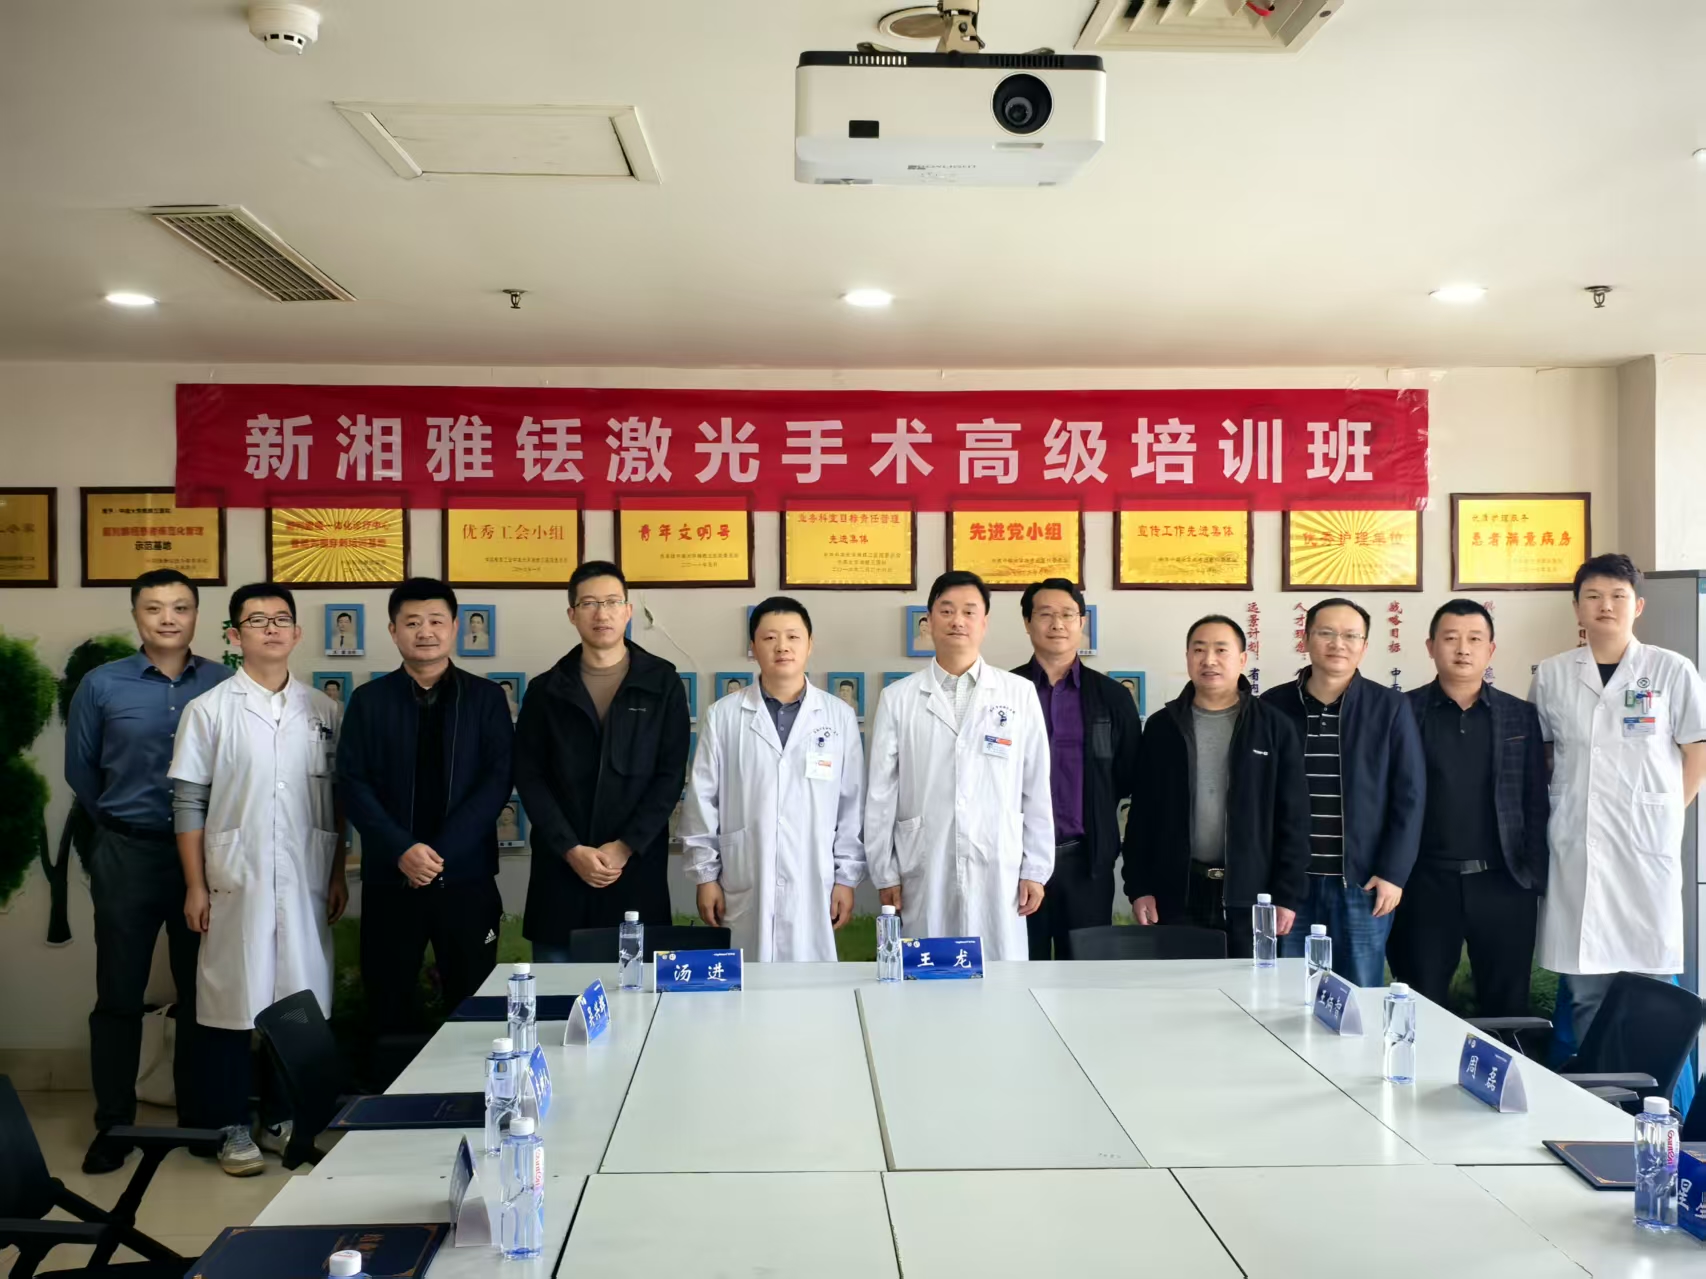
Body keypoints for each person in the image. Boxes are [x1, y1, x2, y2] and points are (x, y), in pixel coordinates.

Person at [169, 583, 346, 1176]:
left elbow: (336, 802)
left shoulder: (323, 711)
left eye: (281, 619)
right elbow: (188, 801)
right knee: (229, 1005)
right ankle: (229, 1127)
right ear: (234, 635)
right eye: (256, 619)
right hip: (233, 879)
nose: (271, 628)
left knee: (296, 1003)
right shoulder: (209, 709)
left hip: (306, 876)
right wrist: (196, 885)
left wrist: (337, 872)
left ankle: (280, 1118)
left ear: (297, 632)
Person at [63, 568, 232, 1175]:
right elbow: (81, 771)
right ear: (136, 615)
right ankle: (113, 1126)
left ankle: (200, 1120)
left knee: (202, 994)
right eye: (154, 607)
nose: (168, 618)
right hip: (127, 852)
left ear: (196, 615)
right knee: (119, 994)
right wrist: (122, 824)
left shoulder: (223, 682)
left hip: (204, 857)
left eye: (180, 607)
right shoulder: (101, 684)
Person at [1531, 554, 1706, 1039]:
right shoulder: (1552, 674)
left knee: (1649, 987)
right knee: (1585, 991)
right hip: (1576, 845)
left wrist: (1666, 811)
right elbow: (1543, 754)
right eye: (1593, 596)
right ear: (1577, 608)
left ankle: (1651, 1086)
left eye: (1617, 596)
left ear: (1638, 605)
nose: (1605, 605)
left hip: (1643, 850)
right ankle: (1594, 1083)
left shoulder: (1671, 670)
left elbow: (1698, 750)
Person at [336, 579, 513, 1047]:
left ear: (454, 627)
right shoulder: (369, 701)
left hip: (466, 878)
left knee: (474, 1001)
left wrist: (437, 855)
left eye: (436, 621)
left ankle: (477, 1088)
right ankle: (388, 1090)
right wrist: (402, 850)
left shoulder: (485, 698)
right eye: (412, 622)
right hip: (392, 880)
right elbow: (353, 783)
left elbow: (497, 781)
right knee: (388, 1001)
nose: (425, 631)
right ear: (393, 631)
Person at [866, 571, 1053, 959]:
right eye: (947, 610)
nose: (958, 621)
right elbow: (882, 793)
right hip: (924, 861)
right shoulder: (898, 698)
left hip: (998, 862)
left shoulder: (1018, 694)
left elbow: (1035, 786)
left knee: (999, 973)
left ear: (984, 622)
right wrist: (884, 871)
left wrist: (1035, 868)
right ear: (929, 621)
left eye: (969, 611)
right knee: (928, 969)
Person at [514, 561, 690, 959]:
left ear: (628, 611)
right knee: (559, 986)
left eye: (612, 602)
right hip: (562, 866)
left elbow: (669, 776)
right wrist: (571, 849)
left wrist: (624, 847)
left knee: (636, 985)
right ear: (572, 614)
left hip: (634, 866)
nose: (602, 613)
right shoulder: (545, 690)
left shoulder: (662, 682)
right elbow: (530, 777)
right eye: (589, 603)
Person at [1385, 601, 1548, 1015]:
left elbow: (1535, 800)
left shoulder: (1519, 716)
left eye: (1475, 639)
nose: (1463, 649)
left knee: (1506, 1007)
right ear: (1430, 646)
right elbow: (1385, 796)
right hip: (1423, 884)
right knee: (1419, 1004)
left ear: (1490, 650)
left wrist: (1533, 877)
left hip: (1503, 883)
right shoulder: (1401, 712)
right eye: (1451, 638)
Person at [681, 597, 865, 961]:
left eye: (793, 637)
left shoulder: (838, 716)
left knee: (810, 983)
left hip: (814, 876)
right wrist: (706, 876)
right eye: (769, 638)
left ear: (810, 644)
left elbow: (851, 805)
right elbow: (702, 800)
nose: (782, 647)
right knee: (747, 977)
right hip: (745, 875)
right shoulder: (723, 715)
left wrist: (846, 878)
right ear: (753, 647)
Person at [1261, 597, 1424, 987]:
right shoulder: (1272, 706)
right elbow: (1257, 797)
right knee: (1286, 993)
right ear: (1305, 639)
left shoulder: (1389, 706)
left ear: (1364, 646)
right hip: (1289, 885)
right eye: (1326, 633)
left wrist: (1393, 873)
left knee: (1359, 994)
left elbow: (1409, 795)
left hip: (1361, 885)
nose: (1338, 644)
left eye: (1351, 636)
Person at [1127, 615, 1310, 958]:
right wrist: (1139, 887)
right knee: (1180, 986)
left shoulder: (1273, 727)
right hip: (1177, 892)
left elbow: (1294, 819)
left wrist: (1287, 895)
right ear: (1187, 657)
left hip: (1253, 896)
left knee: (1250, 987)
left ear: (1242, 659)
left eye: (1221, 650)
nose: (1209, 660)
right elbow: (1142, 816)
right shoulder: (1162, 727)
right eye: (1199, 650)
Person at [1011, 579, 1141, 959]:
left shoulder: (1112, 697)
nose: (1057, 624)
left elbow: (1128, 774)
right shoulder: (1003, 691)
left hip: (1086, 863)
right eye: (1045, 614)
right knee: (1018, 970)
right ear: (1027, 623)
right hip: (1014, 864)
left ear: (1082, 623)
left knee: (1085, 975)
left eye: (1067, 614)